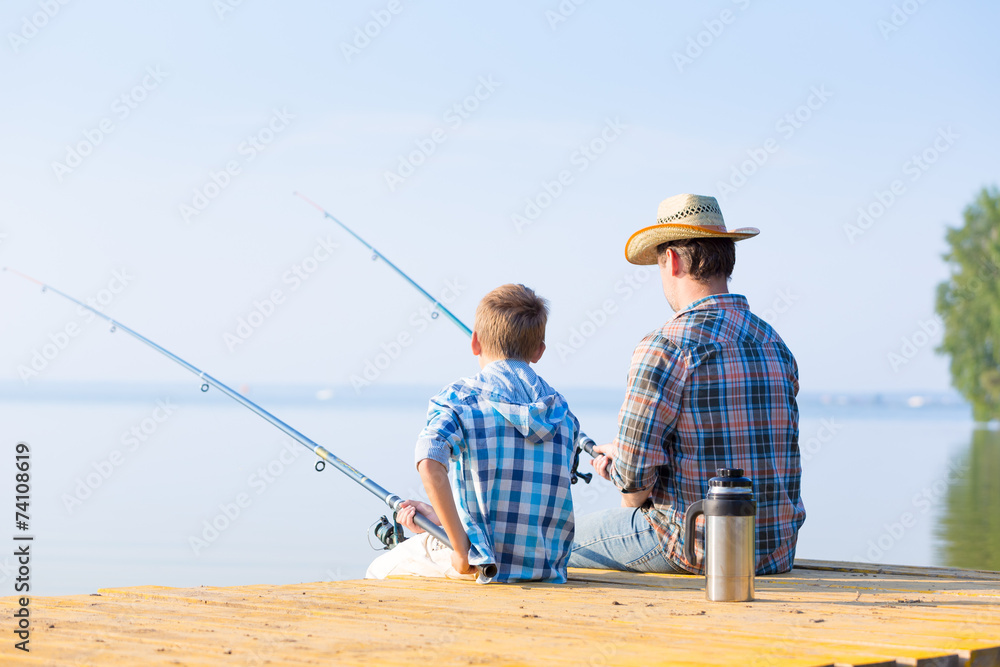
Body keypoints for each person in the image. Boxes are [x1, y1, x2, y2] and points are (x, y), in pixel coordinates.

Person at [570, 194, 806, 575]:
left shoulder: (665, 347)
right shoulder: (775, 343)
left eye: (659, 263)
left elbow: (633, 491)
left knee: (551, 537)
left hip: (696, 553)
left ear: (674, 260)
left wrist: (618, 464)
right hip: (774, 554)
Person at [366, 284, 582, 583]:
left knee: (378, 570)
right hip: (546, 569)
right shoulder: (563, 414)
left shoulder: (461, 399)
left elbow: (429, 461)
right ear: (539, 350)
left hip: (484, 565)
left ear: (475, 342)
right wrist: (439, 518)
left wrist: (457, 547)